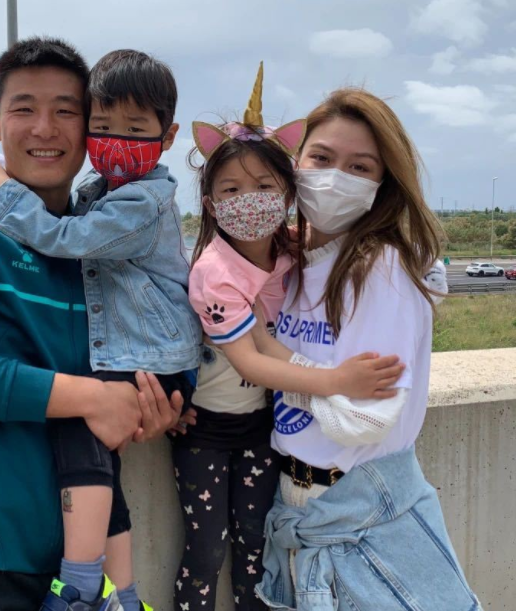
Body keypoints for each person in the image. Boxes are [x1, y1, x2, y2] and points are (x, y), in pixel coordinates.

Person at [0, 37, 182, 611]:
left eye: (66, 111)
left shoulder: (100, 244)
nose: (44, 128)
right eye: (24, 108)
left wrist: (150, 401)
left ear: (89, 128)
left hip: (75, 562)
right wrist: (94, 398)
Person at [0, 49, 201, 611]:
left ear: (168, 136)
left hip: (152, 359)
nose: (116, 140)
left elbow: (65, 239)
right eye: (103, 126)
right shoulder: (103, 191)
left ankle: (77, 585)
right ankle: (124, 595)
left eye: (135, 130)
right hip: (140, 356)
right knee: (101, 468)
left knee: (79, 436)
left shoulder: (143, 200)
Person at [170, 66, 406, 611]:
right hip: (204, 430)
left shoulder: (290, 248)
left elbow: (352, 241)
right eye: (231, 189)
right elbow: (251, 362)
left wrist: (419, 267)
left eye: (264, 186)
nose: (248, 199)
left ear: (288, 194)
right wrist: (336, 381)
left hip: (263, 428)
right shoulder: (214, 272)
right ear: (210, 203)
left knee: (257, 547)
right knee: (206, 552)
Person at [254, 88, 479, 611]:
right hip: (298, 510)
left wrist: (269, 361)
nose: (335, 178)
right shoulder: (290, 265)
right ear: (294, 163)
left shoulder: (381, 269)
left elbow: (360, 419)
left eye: (360, 167)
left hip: (362, 522)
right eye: (321, 158)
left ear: (383, 183)